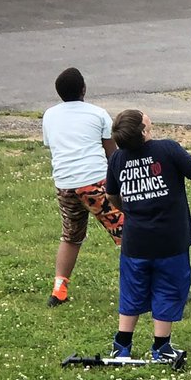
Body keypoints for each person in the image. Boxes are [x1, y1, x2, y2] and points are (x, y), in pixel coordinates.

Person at [104, 109, 191, 364]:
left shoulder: (117, 159)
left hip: (135, 242)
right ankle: (161, 346)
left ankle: (122, 345)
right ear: (144, 131)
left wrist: (128, 204)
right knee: (169, 289)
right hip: (171, 241)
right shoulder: (168, 149)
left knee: (132, 289)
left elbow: (112, 195)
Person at [41, 66, 123, 308]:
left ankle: (59, 290)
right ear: (84, 88)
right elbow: (112, 154)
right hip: (95, 183)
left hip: (65, 184)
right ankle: (149, 286)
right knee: (127, 232)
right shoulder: (97, 114)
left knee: (71, 236)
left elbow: (52, 144)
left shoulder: (49, 115)